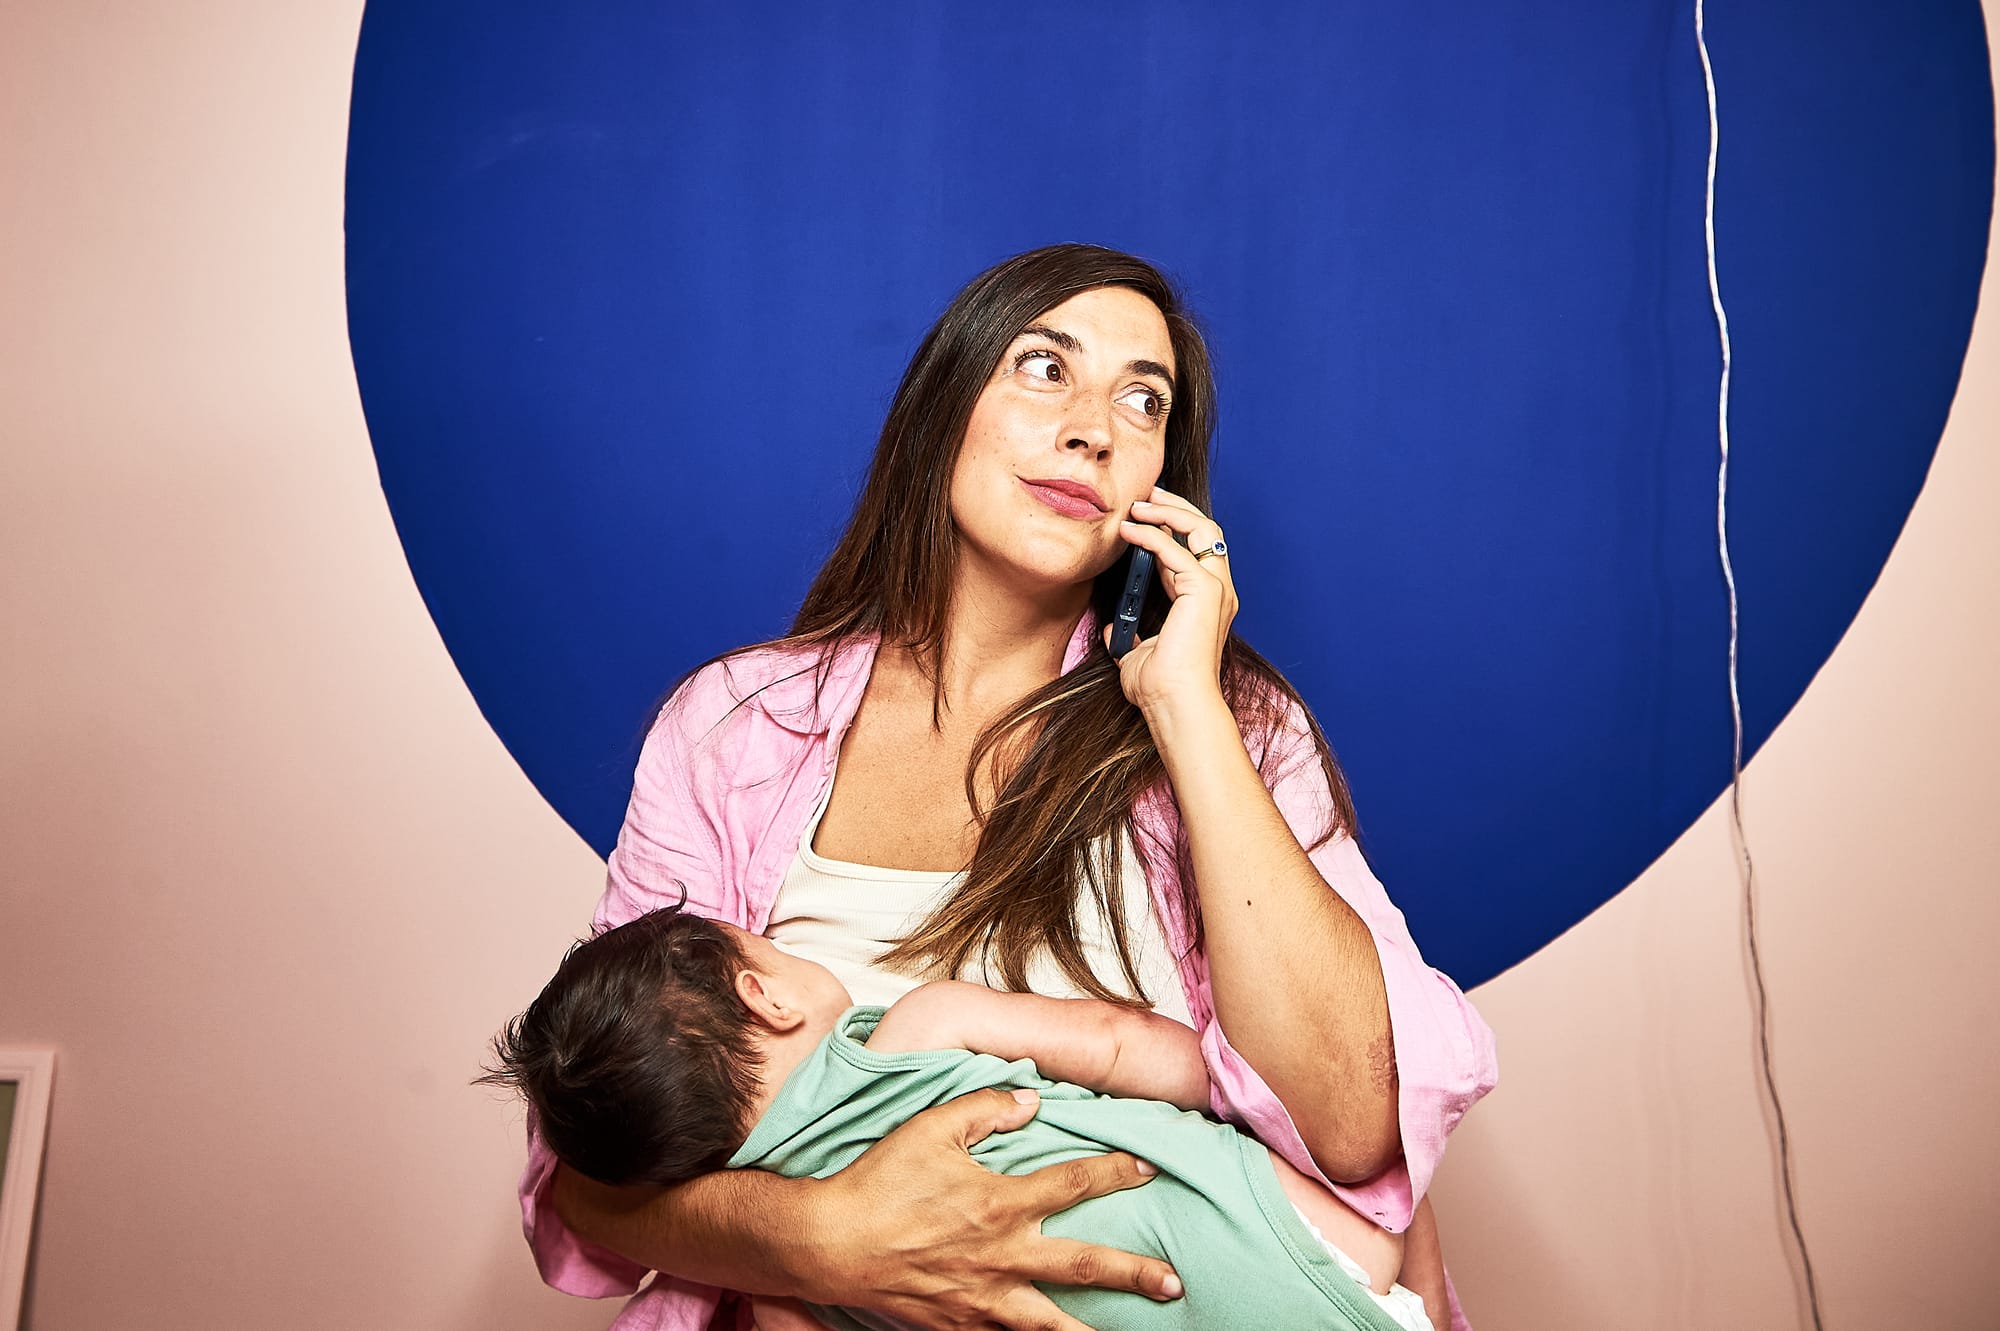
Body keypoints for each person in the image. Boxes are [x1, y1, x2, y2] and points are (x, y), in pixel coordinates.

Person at [517, 243, 1499, 1331]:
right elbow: (589, 1169)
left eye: (1143, 400)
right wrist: (823, 1239)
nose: (1094, 429)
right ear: (942, 406)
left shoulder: (1239, 729)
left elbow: (1353, 1127)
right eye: (1044, 367)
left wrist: (1184, 709)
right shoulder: (737, 726)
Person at [490, 904, 1445, 1331]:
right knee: (1381, 1183)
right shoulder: (918, 1027)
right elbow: (1112, 1041)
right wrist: (1237, 1088)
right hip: (1302, 1265)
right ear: (764, 995)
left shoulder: (779, 1282)